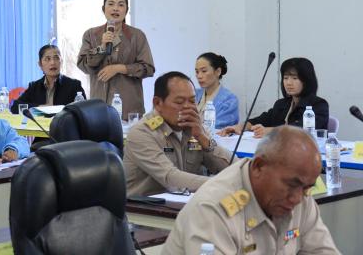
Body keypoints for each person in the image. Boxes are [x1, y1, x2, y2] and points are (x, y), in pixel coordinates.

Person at [162, 126, 340, 255]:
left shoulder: (301, 194)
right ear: (259, 167)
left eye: (307, 188)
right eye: (291, 184)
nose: (297, 198)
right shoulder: (213, 208)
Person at [123, 72, 231, 196]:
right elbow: (171, 178)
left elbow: (233, 168)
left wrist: (203, 139)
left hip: (185, 204)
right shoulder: (141, 133)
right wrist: (221, 185)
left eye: (192, 101)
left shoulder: (195, 128)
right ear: (157, 103)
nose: (187, 108)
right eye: (179, 102)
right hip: (145, 210)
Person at [77, 0, 155, 120]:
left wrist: (119, 68)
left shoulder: (137, 36)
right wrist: (102, 47)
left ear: (126, 10)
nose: (116, 8)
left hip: (129, 109)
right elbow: (83, 65)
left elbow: (148, 68)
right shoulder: (91, 35)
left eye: (121, 5)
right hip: (98, 107)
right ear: (103, 9)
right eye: (111, 4)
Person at [219, 57, 329, 138]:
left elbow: (300, 129)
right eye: (286, 78)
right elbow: (261, 120)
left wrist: (269, 131)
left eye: (295, 78)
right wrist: (240, 127)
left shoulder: (319, 105)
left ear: (307, 80)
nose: (288, 83)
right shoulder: (282, 104)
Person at [10, 45, 86, 114]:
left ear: (61, 62)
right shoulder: (34, 87)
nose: (52, 62)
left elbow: (84, 110)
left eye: (56, 58)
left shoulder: (74, 85)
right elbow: (15, 107)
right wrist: (39, 107)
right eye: (47, 59)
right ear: (40, 64)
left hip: (64, 127)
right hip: (40, 128)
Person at [195, 52, 239, 128]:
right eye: (197, 72)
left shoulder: (230, 100)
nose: (199, 76)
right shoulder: (194, 94)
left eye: (204, 71)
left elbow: (218, 126)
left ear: (218, 71)